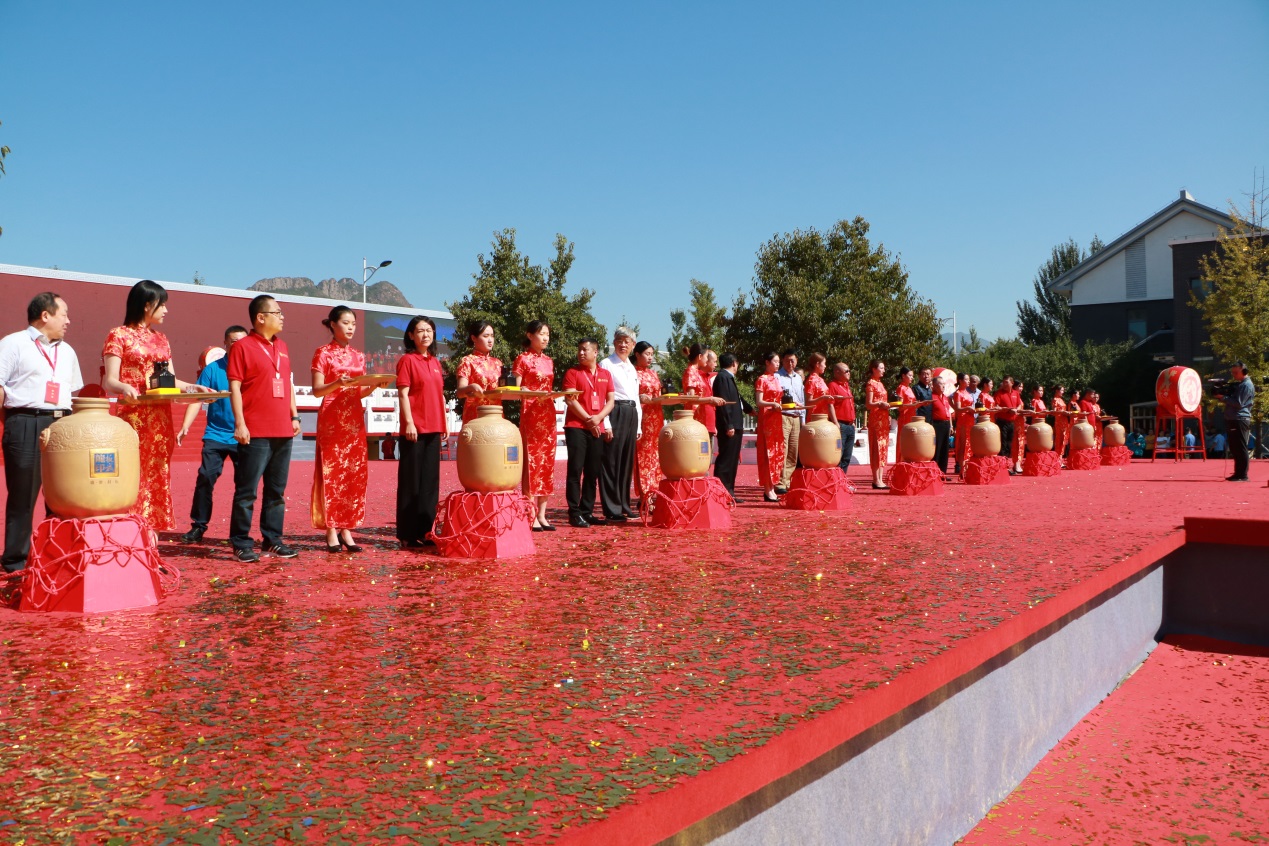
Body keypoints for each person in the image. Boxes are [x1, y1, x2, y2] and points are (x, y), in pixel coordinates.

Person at [102, 279, 208, 530]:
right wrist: (125, 387)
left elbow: (171, 381)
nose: (166, 311)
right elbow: (109, 381)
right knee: (132, 474)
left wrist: (195, 388)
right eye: (162, 305)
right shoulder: (118, 335)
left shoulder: (162, 339)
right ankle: (127, 531)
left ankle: (151, 539)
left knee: (157, 475)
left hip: (161, 419)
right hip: (133, 416)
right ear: (147, 305)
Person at [0, 293, 83, 573]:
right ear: (45, 315)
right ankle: (15, 563)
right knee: (23, 496)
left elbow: (73, 393)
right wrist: (9, 422)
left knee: (63, 496)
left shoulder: (67, 351)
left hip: (62, 424)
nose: (68, 321)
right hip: (25, 421)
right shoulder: (13, 344)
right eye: (64, 314)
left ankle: (56, 556)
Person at [226, 295, 301, 562]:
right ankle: (240, 542)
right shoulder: (242, 347)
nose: (282, 317)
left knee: (276, 491)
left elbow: (288, 383)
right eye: (277, 312)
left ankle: (272, 539)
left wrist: (295, 416)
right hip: (255, 430)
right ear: (261, 317)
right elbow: (234, 386)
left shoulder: (282, 346)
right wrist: (240, 423)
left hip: (283, 429)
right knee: (247, 491)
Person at [177, 325, 249, 543]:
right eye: (234, 341)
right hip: (216, 435)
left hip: (243, 434)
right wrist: (185, 426)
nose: (239, 345)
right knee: (206, 477)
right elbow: (196, 399)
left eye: (243, 341)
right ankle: (198, 526)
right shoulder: (213, 369)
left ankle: (240, 534)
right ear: (225, 344)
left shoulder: (252, 368)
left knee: (245, 485)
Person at [310, 305, 373, 553]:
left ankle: (346, 528)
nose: (350, 327)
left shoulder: (359, 356)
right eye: (345, 322)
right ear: (333, 325)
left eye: (353, 324)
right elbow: (317, 390)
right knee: (332, 473)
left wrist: (375, 386)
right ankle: (330, 529)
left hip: (354, 420)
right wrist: (336, 382)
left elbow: (359, 391)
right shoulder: (323, 353)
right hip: (332, 418)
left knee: (352, 475)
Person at [396, 316, 448, 547]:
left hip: (435, 428)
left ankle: (426, 531)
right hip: (414, 429)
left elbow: (439, 396)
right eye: (420, 331)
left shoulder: (436, 363)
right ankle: (407, 534)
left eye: (429, 330)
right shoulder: (407, 360)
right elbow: (403, 394)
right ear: (411, 335)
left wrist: (444, 423)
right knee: (411, 483)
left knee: (430, 483)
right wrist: (408, 422)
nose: (425, 335)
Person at [563, 339, 614, 527]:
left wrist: (598, 418)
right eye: (579, 350)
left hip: (597, 427)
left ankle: (587, 511)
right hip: (577, 426)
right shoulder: (572, 373)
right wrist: (589, 419)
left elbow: (610, 401)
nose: (581, 353)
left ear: (595, 352)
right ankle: (574, 513)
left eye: (585, 350)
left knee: (593, 471)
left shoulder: (605, 374)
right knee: (576, 469)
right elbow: (570, 400)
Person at [512, 320, 556, 531]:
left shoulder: (549, 360)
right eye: (541, 334)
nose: (545, 338)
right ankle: (530, 514)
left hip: (548, 414)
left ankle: (543, 514)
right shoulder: (522, 359)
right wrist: (533, 394)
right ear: (530, 335)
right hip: (530, 413)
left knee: (547, 463)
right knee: (531, 462)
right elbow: (517, 390)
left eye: (547, 334)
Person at [600, 327, 641, 521]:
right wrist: (606, 422)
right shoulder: (607, 364)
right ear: (614, 342)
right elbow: (602, 396)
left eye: (627, 342)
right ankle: (612, 507)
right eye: (620, 340)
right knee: (611, 461)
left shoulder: (631, 367)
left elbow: (635, 397)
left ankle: (625, 504)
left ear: (633, 346)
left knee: (626, 461)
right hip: (615, 410)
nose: (623, 344)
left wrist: (638, 425)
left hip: (631, 412)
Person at [633, 340, 663, 505]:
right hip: (642, 418)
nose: (650, 357)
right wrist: (640, 398)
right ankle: (645, 495)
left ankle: (654, 492)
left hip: (656, 416)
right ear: (637, 354)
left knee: (656, 455)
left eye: (652, 354)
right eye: (647, 354)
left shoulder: (653, 373)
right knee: (643, 455)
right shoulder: (631, 372)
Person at [712, 353, 745, 501]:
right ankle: (722, 490)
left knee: (732, 460)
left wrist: (749, 409)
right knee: (726, 459)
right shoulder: (722, 378)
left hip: (736, 423)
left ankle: (729, 491)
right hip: (729, 424)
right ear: (733, 363)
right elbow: (724, 403)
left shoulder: (729, 378)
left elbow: (738, 399)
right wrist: (728, 424)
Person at [455, 321, 502, 425]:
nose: (490, 340)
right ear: (474, 338)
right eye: (486, 336)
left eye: (492, 336)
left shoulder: (498, 363)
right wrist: (472, 387)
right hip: (476, 415)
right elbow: (460, 392)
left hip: (496, 414)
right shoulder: (467, 361)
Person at [754, 352, 785, 502]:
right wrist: (772, 404)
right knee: (768, 453)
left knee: (777, 452)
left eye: (779, 362)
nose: (778, 364)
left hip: (777, 419)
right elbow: (759, 402)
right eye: (775, 361)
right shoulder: (762, 379)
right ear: (767, 362)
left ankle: (772, 486)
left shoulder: (776, 379)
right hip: (767, 418)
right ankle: (767, 489)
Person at [1219, 362, 1255, 481]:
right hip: (1235, 418)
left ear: (1243, 371)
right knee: (1235, 448)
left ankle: (1243, 475)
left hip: (1239, 418)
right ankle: (1238, 473)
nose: (1233, 375)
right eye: (1232, 372)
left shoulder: (1246, 385)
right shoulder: (1241, 384)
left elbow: (1239, 403)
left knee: (1240, 447)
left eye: (1236, 372)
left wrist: (1223, 398)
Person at [775, 350, 804, 492]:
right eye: (787, 360)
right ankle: (780, 482)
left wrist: (803, 420)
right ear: (782, 361)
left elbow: (801, 399)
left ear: (796, 361)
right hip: (783, 415)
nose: (790, 363)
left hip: (796, 417)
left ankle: (788, 481)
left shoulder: (798, 378)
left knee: (793, 451)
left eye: (792, 360)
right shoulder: (776, 377)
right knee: (783, 449)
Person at [865, 359, 890, 489]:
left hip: (884, 420)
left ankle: (880, 478)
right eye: (881, 368)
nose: (883, 370)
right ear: (874, 369)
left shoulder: (881, 384)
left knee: (883, 449)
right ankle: (876, 479)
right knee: (876, 449)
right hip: (876, 420)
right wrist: (879, 404)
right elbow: (868, 404)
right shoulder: (871, 383)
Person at [826, 362, 856, 470]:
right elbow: (830, 405)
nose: (849, 373)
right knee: (838, 454)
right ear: (837, 372)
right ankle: (837, 482)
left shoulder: (846, 386)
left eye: (849, 371)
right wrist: (835, 422)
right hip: (840, 424)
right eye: (846, 371)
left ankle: (843, 480)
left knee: (847, 457)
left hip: (850, 425)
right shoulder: (832, 385)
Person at [993, 376, 1020, 472]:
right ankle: (1002, 466)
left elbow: (1019, 404)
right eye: (1003, 382)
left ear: (1012, 383)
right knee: (1003, 444)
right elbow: (996, 407)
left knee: (1009, 444)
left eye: (1006, 382)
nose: (1004, 384)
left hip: (1012, 422)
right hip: (1002, 421)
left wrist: (1016, 409)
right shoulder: (999, 393)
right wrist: (1008, 410)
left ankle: (1007, 465)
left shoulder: (1016, 393)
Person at [803, 353, 837, 424]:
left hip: (823, 417)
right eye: (824, 363)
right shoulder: (811, 380)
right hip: (815, 418)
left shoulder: (820, 379)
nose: (825, 366)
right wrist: (823, 398)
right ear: (817, 364)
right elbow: (808, 402)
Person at [953, 373, 974, 475]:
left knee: (969, 444)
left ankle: (968, 467)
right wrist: (967, 408)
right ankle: (962, 468)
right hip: (963, 421)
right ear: (960, 381)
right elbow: (957, 409)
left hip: (970, 420)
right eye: (966, 379)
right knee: (962, 445)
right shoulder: (958, 393)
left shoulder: (967, 392)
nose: (968, 381)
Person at [894, 367, 917, 461]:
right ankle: (900, 464)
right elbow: (900, 407)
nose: (912, 378)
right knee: (903, 443)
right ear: (903, 376)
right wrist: (912, 405)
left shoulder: (909, 388)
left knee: (910, 443)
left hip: (911, 417)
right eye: (910, 375)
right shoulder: (901, 388)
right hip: (904, 418)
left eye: (912, 376)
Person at [931, 378, 952, 474]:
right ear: (934, 385)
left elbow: (949, 412)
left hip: (946, 424)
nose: (943, 386)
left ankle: (943, 472)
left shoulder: (945, 397)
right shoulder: (932, 397)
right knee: (937, 448)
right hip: (936, 424)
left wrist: (951, 425)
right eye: (941, 384)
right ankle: (935, 471)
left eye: (944, 384)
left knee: (945, 449)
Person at [1050, 385, 1069, 460]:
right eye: (1061, 390)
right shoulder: (1055, 399)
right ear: (1057, 391)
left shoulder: (1061, 400)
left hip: (1064, 421)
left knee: (1064, 438)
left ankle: (1060, 457)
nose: (1063, 392)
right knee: (1059, 439)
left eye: (1063, 390)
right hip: (1059, 421)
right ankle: (1058, 457)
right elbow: (1054, 412)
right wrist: (1062, 412)